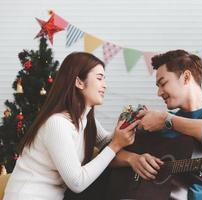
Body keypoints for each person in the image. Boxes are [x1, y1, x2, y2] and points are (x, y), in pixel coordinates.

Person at [113, 50, 202, 200]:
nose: (158, 92)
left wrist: (167, 120)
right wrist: (133, 159)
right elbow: (110, 154)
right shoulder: (159, 124)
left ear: (186, 77)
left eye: (163, 83)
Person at [3, 52, 139, 200]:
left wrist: (132, 121)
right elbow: (77, 182)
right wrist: (115, 145)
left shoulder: (85, 119)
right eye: (99, 78)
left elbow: (105, 140)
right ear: (79, 82)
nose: (104, 85)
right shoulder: (58, 123)